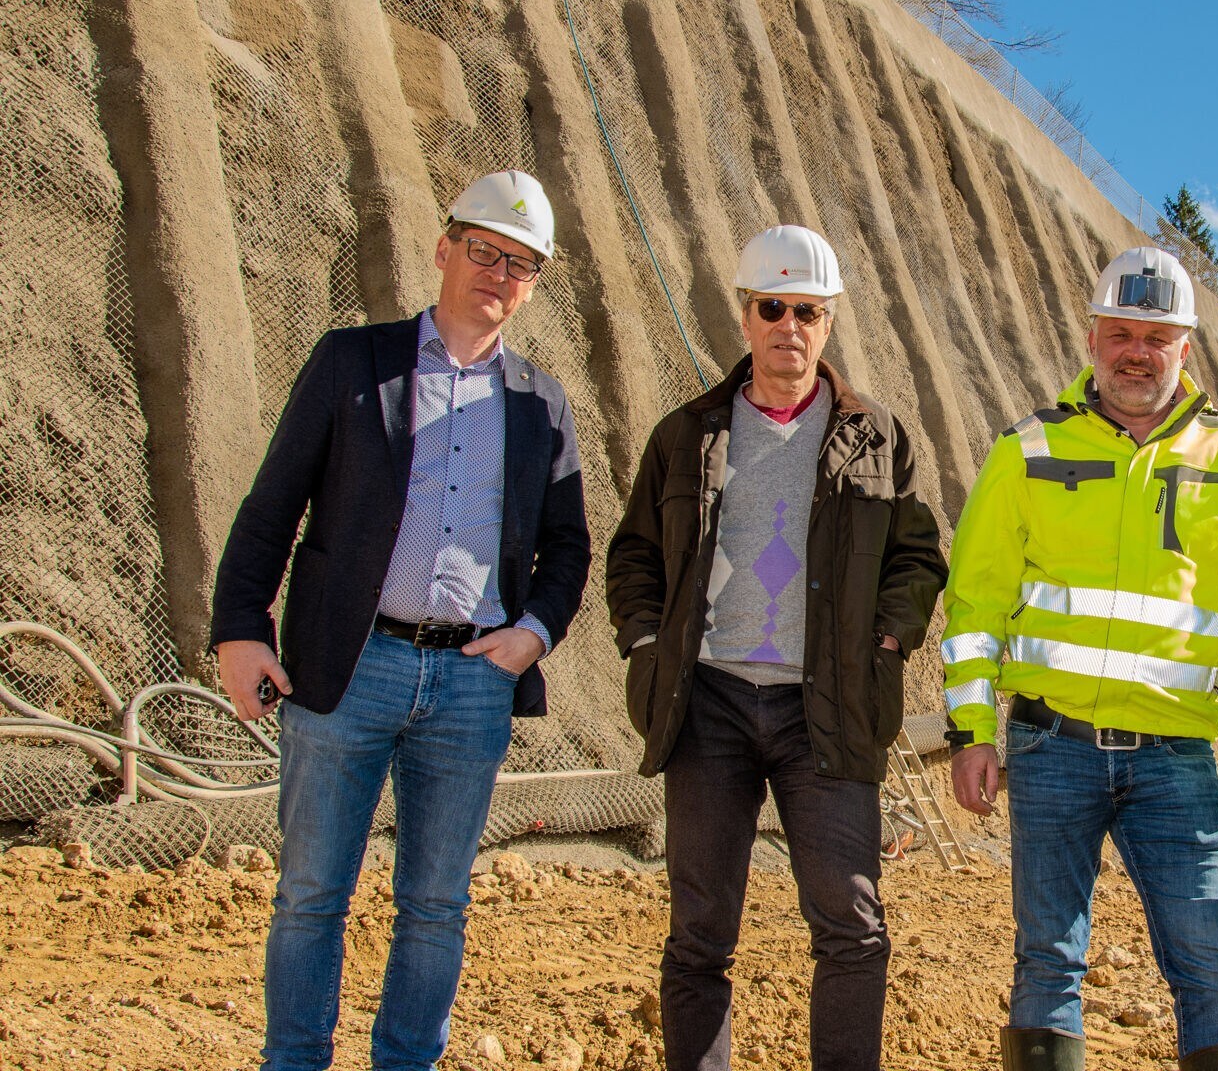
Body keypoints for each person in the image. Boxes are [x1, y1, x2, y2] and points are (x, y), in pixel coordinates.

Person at [209, 169, 591, 1071]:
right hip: (349, 665)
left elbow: (569, 546)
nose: (499, 274)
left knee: (435, 905)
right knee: (310, 893)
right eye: (485, 251)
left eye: (521, 264)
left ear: (533, 285)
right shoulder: (353, 362)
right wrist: (241, 628)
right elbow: (273, 505)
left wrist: (533, 633)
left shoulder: (541, 402)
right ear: (444, 249)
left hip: (470, 684)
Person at [943, 246, 1218, 1071]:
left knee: (1210, 961)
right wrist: (970, 731)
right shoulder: (1027, 449)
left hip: (1177, 757)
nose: (1137, 352)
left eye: (1157, 337)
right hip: (1049, 745)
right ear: (1092, 338)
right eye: (1121, 333)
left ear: (1186, 348)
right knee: (1047, 959)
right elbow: (975, 607)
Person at [605, 224, 947, 1071]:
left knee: (851, 925)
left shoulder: (880, 437)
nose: (789, 326)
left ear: (829, 321)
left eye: (807, 310)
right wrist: (646, 643)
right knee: (699, 934)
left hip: (826, 707)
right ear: (745, 315)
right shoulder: (686, 433)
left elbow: (917, 556)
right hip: (709, 704)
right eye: (772, 308)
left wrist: (888, 640)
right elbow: (634, 554)